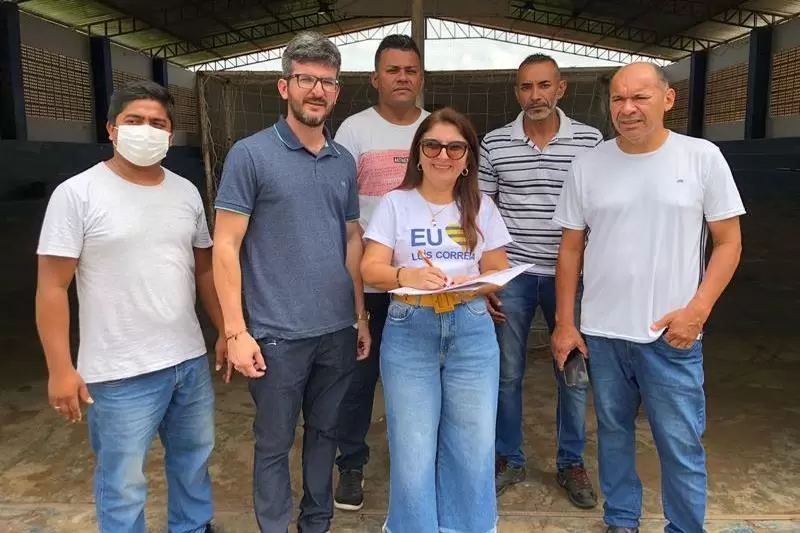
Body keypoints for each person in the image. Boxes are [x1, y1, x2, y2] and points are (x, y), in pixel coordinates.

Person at [552, 62, 745, 533]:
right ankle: (621, 520)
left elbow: (729, 242)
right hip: (603, 333)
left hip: (671, 334)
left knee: (680, 443)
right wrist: (565, 322)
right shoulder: (589, 165)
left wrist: (698, 311)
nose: (627, 109)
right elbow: (570, 248)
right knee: (613, 435)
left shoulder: (701, 158)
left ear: (668, 99)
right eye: (618, 99)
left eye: (639, 97)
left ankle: (685, 527)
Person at [35, 80, 226, 533]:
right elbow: (52, 287)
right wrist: (60, 369)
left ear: (171, 134)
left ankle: (193, 527)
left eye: (157, 123)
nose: (146, 130)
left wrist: (225, 330)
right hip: (118, 373)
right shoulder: (77, 194)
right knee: (122, 483)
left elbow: (204, 271)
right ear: (111, 129)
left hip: (187, 362)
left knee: (193, 462)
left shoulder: (186, 192)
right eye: (134, 121)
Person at [211, 31, 370, 533]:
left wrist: (360, 316)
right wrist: (236, 331)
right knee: (274, 443)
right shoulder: (250, 155)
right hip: (275, 336)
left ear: (337, 92)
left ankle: (317, 522)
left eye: (327, 82)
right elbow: (225, 245)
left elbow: (351, 240)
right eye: (306, 79)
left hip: (336, 331)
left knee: (325, 434)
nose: (317, 91)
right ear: (285, 87)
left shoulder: (343, 161)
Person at [361, 107, 512, 533]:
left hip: (471, 330)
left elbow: (498, 270)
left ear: (468, 159)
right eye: (433, 146)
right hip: (411, 329)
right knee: (412, 447)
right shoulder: (395, 203)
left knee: (474, 445)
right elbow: (370, 268)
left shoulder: (481, 207)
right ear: (418, 154)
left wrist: (473, 283)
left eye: (455, 148)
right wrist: (405, 276)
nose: (443, 155)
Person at [479, 53, 602, 507]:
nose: (536, 96)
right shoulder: (495, 143)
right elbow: (482, 212)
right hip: (513, 274)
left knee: (573, 372)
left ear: (561, 88)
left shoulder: (590, 141)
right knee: (506, 373)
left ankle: (571, 462)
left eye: (544, 85)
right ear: (517, 92)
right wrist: (488, 277)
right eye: (527, 87)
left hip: (570, 278)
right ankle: (508, 457)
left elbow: (599, 211)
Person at [332, 33, 429, 512]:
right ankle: (351, 465)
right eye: (393, 70)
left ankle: (423, 466)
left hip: (425, 286)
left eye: (410, 70)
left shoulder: (436, 129)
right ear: (375, 78)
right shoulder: (354, 131)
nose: (402, 78)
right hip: (368, 284)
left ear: (420, 77)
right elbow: (339, 211)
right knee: (358, 380)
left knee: (421, 380)